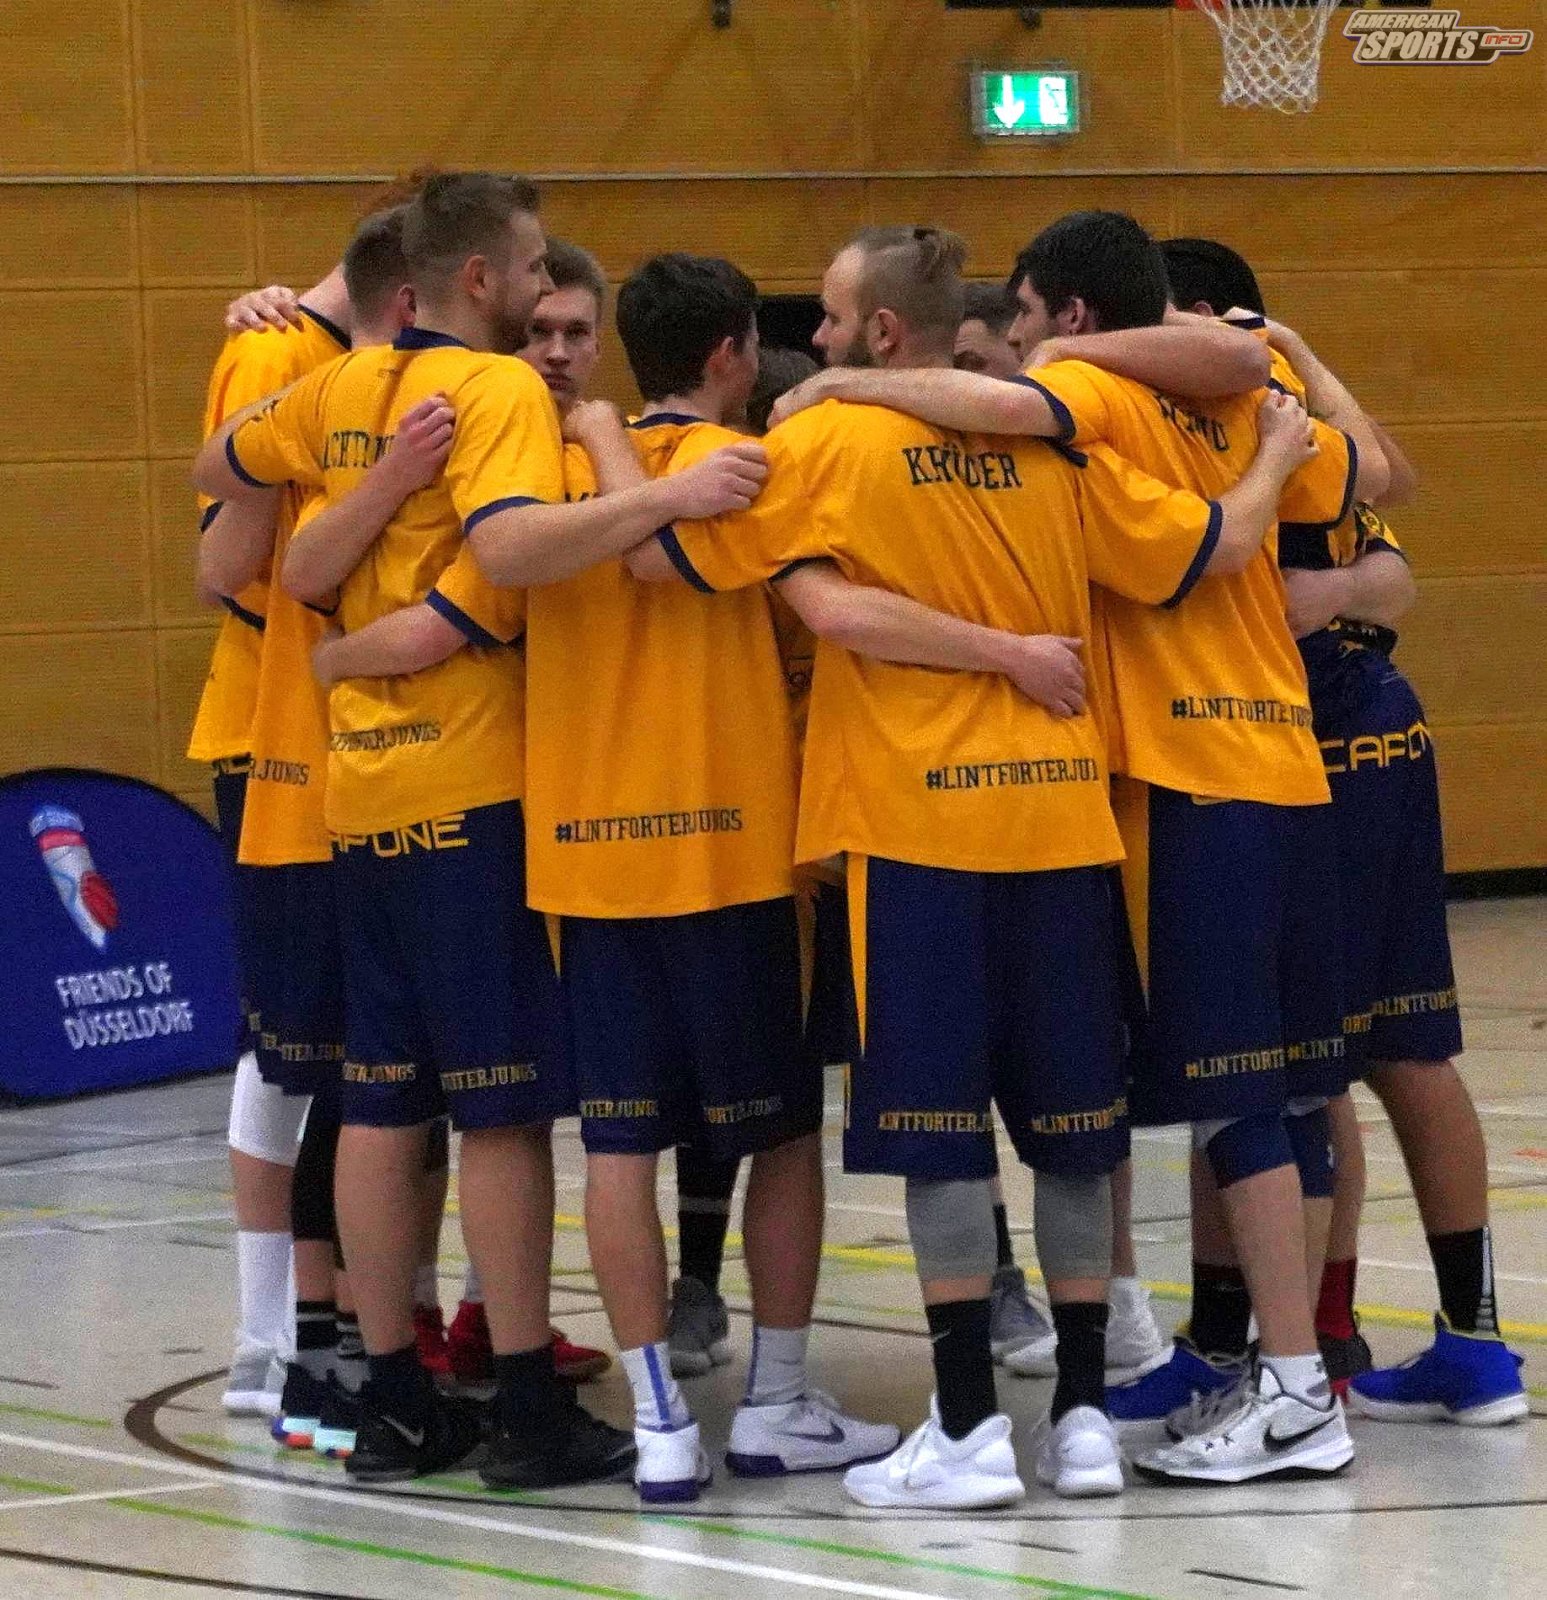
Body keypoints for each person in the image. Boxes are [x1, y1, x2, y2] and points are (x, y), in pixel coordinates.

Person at [627, 227, 1320, 1506]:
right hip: (1062, 823)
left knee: (939, 1137)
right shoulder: (1061, 444)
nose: (814, 339)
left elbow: (675, 558)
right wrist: (1275, 457)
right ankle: (1083, 1422)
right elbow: (1201, 549)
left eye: (829, 317)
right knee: (1073, 1133)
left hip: (916, 830)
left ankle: (962, 1429)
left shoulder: (828, 440)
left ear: (883, 332)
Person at [193, 172, 763, 1488]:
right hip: (468, 788)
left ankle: (392, 1400)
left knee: (381, 1097)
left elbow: (221, 474)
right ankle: (522, 1404)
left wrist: (347, 565)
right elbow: (507, 555)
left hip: (357, 796)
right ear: (474, 278)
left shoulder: (340, 384)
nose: (536, 289)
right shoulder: (495, 389)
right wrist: (661, 499)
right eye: (526, 267)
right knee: (501, 1114)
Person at [1161, 236, 1527, 1428]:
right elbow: (1390, 537)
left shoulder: (1251, 416)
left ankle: (1291, 1339)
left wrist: (1289, 351)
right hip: (1360, 730)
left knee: (1305, 1055)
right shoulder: (1274, 420)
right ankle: (1424, 1336)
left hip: (1316, 741)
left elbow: (1383, 506)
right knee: (1359, 1050)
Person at [192, 223, 352, 1421]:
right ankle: (265, 1334)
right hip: (270, 731)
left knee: (365, 1046)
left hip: (356, 737)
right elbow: (224, 562)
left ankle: (354, 1313)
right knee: (285, 1037)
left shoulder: (372, 363)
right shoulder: (273, 350)